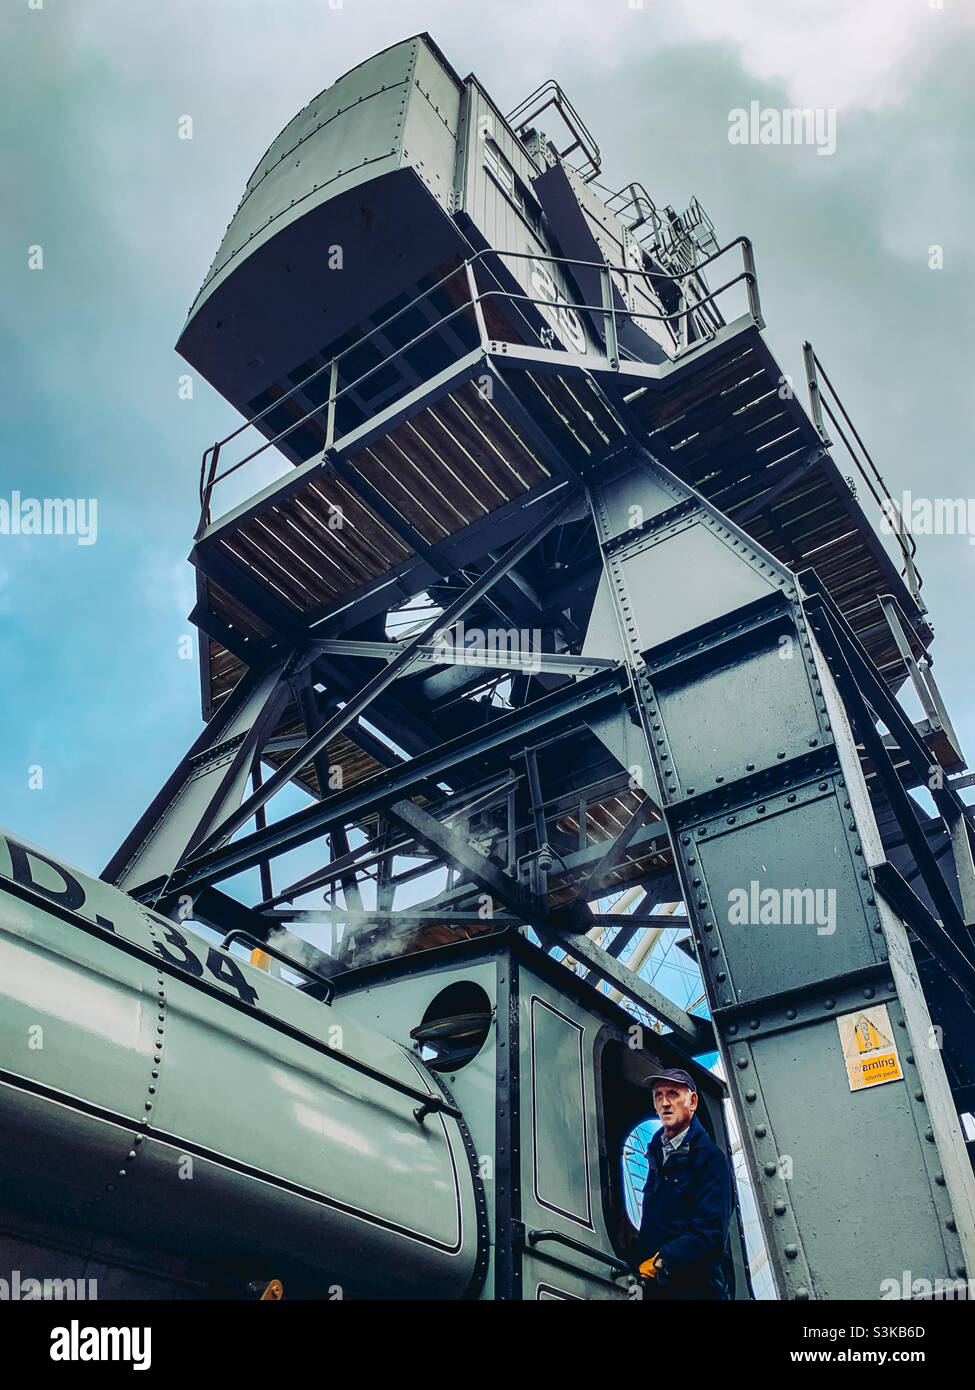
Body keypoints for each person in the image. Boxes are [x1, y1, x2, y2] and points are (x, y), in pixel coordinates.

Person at [634, 1067, 734, 1300]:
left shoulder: (710, 1158)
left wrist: (663, 1259)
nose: (665, 1103)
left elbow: (710, 1235)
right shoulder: (657, 1154)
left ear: (693, 1102)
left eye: (673, 1094)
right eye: (658, 1095)